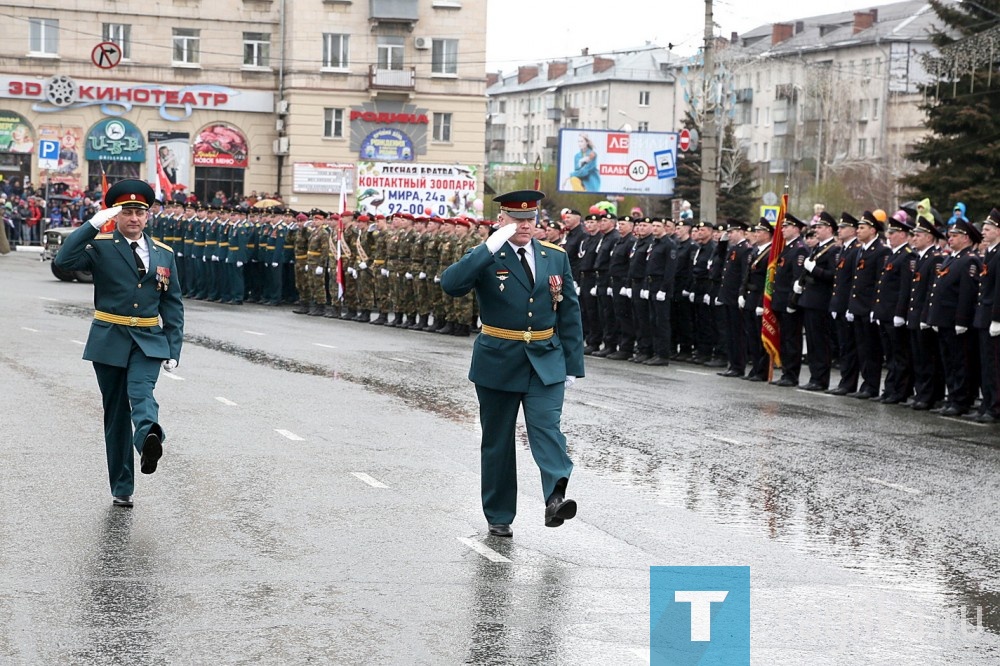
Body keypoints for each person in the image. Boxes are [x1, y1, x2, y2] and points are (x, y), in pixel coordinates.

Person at [440, 189, 584, 538]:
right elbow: (451, 284)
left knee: (547, 427)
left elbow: (569, 311)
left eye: (530, 219)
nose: (524, 225)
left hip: (545, 359)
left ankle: (555, 497)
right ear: (501, 220)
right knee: (498, 440)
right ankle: (499, 514)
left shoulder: (554, 255)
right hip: (499, 359)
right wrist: (488, 247)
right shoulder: (487, 255)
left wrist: (571, 364)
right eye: (516, 219)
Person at [54, 179, 184, 507]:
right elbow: (63, 262)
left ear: (148, 215)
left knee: (141, 393)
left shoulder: (164, 254)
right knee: (115, 413)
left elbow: (173, 303)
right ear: (116, 215)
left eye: (140, 212)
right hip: (110, 338)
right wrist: (91, 224)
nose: (134, 218)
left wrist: (174, 347)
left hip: (148, 341)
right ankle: (122, 486)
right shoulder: (100, 245)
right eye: (127, 212)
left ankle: (149, 438)